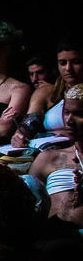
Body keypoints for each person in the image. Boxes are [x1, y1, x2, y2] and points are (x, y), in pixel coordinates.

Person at [28, 84, 83, 229]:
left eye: (78, 114)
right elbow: (27, 207)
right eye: (66, 112)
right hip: (52, 237)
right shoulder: (48, 159)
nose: (69, 121)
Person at [17, 36, 81, 146]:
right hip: (47, 150)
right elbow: (29, 123)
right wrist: (19, 135)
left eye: (76, 62)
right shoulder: (46, 91)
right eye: (63, 63)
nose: (68, 68)